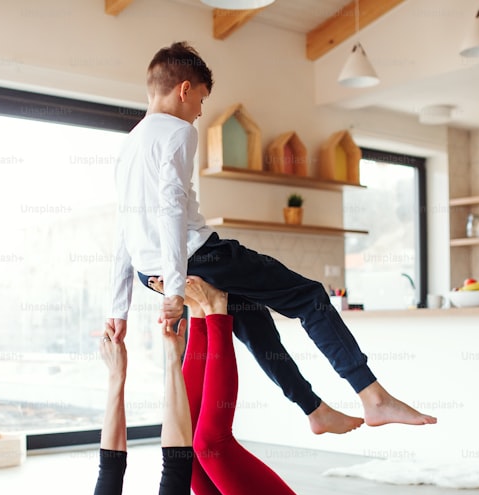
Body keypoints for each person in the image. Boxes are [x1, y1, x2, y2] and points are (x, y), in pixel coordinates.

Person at [108, 41, 436, 435]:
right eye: (201, 99)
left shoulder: (129, 145)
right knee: (311, 297)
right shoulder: (178, 132)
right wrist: (177, 291)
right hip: (196, 257)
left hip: (150, 272)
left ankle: (313, 409)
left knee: (252, 318)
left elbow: (123, 228)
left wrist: (119, 308)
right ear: (184, 89)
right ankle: (374, 398)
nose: (199, 111)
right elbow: (172, 211)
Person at [22, 277, 321, 495]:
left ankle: (198, 313)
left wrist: (117, 375)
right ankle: (217, 311)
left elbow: (110, 466)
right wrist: (171, 355)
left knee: (197, 460)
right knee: (209, 447)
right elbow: (175, 458)